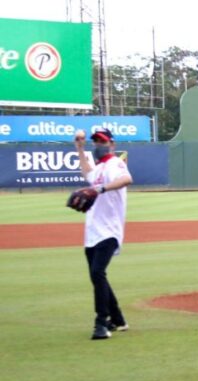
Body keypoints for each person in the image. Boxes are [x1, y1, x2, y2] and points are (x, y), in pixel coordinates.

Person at [75, 129, 133, 340]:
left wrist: (101, 190)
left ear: (112, 144)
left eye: (102, 141)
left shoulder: (116, 163)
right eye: (96, 141)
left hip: (109, 230)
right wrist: (79, 148)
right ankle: (118, 319)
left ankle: (101, 323)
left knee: (98, 272)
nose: (98, 144)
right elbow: (87, 172)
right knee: (96, 275)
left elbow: (127, 179)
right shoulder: (99, 168)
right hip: (92, 230)